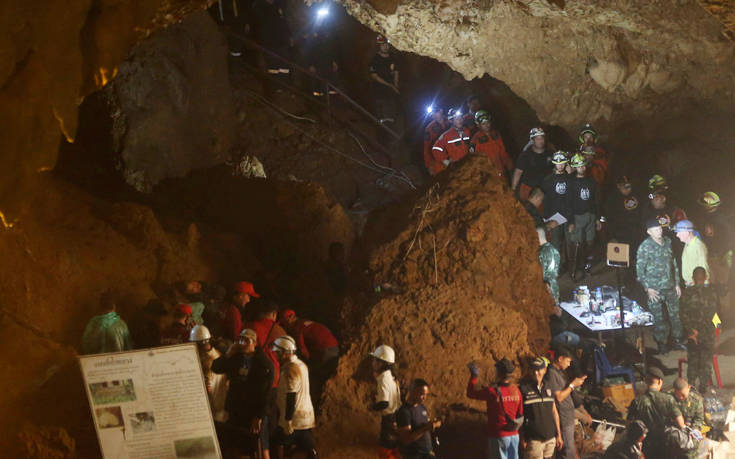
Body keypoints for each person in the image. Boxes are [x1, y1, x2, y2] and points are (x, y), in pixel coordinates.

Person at [213, 328, 275, 458]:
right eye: (240, 340)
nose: (242, 343)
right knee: (235, 445)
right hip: (236, 408)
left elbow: (265, 393)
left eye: (246, 340)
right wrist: (228, 354)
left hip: (253, 411)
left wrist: (259, 416)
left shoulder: (264, 364)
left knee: (257, 445)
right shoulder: (236, 357)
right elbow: (216, 368)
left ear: (255, 343)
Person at [637, 219, 684, 353]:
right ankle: (662, 343)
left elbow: (673, 263)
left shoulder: (667, 242)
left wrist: (677, 284)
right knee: (658, 318)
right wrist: (648, 288)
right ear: (649, 232)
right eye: (656, 229)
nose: (660, 231)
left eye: (660, 228)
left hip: (670, 286)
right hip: (655, 289)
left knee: (675, 315)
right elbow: (640, 270)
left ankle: (677, 340)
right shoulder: (645, 247)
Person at [466, 358, 524, 459]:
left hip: (498, 435)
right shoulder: (516, 390)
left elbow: (471, 393)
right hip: (514, 435)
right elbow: (520, 413)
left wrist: (474, 376)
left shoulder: (492, 391)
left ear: (499, 373)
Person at [271, 335, 317, 459]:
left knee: (276, 442)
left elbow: (291, 395)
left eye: (277, 353)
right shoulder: (301, 365)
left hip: (293, 419)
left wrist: (288, 420)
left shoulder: (290, 370)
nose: (275, 356)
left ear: (284, 353)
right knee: (308, 446)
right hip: (305, 417)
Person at [627, 367, 686, 458]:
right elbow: (681, 424)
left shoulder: (636, 401)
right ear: (659, 381)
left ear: (646, 381)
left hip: (645, 445)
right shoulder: (668, 399)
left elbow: (629, 425)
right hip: (665, 444)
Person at [680, 267, 719, 391]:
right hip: (708, 334)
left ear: (693, 278)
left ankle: (691, 387)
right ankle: (703, 387)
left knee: (693, 359)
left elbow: (682, 314)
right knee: (706, 360)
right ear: (705, 278)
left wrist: (691, 331)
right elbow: (716, 314)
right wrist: (718, 328)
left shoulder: (687, 293)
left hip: (693, 335)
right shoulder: (712, 293)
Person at [544, 347, 586, 459]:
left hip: (567, 417)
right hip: (562, 417)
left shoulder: (560, 373)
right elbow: (559, 397)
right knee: (567, 450)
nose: (568, 365)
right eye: (567, 361)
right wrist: (573, 385)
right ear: (560, 359)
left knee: (570, 448)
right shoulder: (552, 374)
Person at [519, 357, 562, 459]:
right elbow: (519, 415)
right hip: (534, 440)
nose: (536, 373)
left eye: (539, 370)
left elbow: (554, 411)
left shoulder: (549, 387)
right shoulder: (524, 389)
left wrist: (559, 434)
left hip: (550, 438)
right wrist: (522, 437)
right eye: (533, 370)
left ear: (544, 370)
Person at [568, 153, 601, 280]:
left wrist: (597, 217)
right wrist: (571, 221)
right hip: (577, 216)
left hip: (590, 215)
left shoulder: (591, 181)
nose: (582, 168)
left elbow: (595, 200)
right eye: (579, 166)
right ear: (575, 167)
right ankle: (574, 270)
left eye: (583, 166)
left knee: (590, 242)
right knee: (576, 243)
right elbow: (569, 202)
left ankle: (585, 266)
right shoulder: (571, 182)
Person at [190, 325, 229, 423]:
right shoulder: (218, 355)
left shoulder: (205, 362)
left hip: (212, 412)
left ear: (197, 344)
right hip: (221, 409)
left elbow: (208, 389)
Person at [396, 379, 442, 459]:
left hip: (427, 453)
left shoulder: (422, 407)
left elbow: (424, 426)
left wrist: (434, 424)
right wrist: (426, 428)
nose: (424, 398)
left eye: (426, 395)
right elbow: (406, 439)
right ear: (412, 391)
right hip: (414, 455)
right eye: (422, 394)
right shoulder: (404, 412)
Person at [369, 345, 402, 459]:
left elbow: (384, 403)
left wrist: (372, 407)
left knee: (385, 450)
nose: (373, 363)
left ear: (381, 363)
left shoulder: (383, 379)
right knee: (393, 449)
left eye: (375, 360)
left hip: (389, 419)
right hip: (396, 416)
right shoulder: (391, 376)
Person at [541, 152, 572, 254]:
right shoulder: (548, 180)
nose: (560, 165)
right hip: (554, 216)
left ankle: (571, 267)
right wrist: (546, 218)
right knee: (555, 243)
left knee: (570, 242)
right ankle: (556, 268)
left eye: (563, 163)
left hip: (567, 215)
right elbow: (545, 199)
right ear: (554, 164)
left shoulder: (570, 179)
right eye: (558, 163)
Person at [603, 176, 642, 258]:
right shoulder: (613, 199)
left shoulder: (636, 195)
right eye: (624, 186)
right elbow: (610, 219)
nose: (627, 189)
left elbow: (641, 212)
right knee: (622, 258)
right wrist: (613, 235)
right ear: (618, 186)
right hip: (621, 233)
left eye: (628, 186)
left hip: (636, 231)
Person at [470, 110, 513, 183]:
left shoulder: (496, 134)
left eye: (488, 122)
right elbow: (475, 160)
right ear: (478, 125)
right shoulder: (476, 139)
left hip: (501, 170)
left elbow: (503, 151)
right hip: (488, 175)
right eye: (483, 124)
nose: (487, 125)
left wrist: (510, 166)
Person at [511, 127, 553, 201]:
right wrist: (513, 190)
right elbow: (518, 172)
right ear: (532, 141)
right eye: (537, 139)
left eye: (542, 138)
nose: (540, 141)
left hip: (544, 189)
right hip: (528, 188)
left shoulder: (550, 153)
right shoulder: (526, 155)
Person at [669, 377, 704, 459]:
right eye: (678, 395)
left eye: (683, 395)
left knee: (691, 450)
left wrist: (695, 429)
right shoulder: (669, 399)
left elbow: (699, 419)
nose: (681, 397)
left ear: (689, 387)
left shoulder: (696, 400)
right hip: (674, 432)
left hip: (690, 433)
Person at [369, 34, 400, 125]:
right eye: (383, 45)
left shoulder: (392, 58)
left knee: (392, 116)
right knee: (381, 117)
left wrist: (395, 85)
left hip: (391, 93)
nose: (386, 47)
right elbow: (374, 76)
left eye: (387, 45)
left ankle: (392, 128)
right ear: (379, 46)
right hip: (379, 92)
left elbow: (396, 72)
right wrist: (390, 85)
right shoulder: (375, 59)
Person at [431, 108, 471, 173]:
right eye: (457, 119)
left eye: (460, 118)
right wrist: (446, 162)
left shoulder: (467, 131)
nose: (460, 120)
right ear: (451, 121)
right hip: (456, 168)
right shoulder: (446, 135)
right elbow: (435, 149)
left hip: (468, 165)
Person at [674, 220, 710, 286]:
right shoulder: (687, 244)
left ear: (687, 233)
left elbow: (703, 267)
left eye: (679, 232)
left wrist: (698, 284)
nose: (677, 235)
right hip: (691, 283)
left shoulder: (698, 247)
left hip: (698, 285)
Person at [537, 228, 561, 305]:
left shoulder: (542, 252)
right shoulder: (554, 249)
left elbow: (542, 273)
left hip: (546, 287)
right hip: (554, 285)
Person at [423, 107, 450, 176]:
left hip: (453, 154)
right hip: (439, 160)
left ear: (441, 110)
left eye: (435, 113)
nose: (434, 115)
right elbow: (426, 148)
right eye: (432, 114)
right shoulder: (429, 128)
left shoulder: (450, 120)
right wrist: (429, 165)